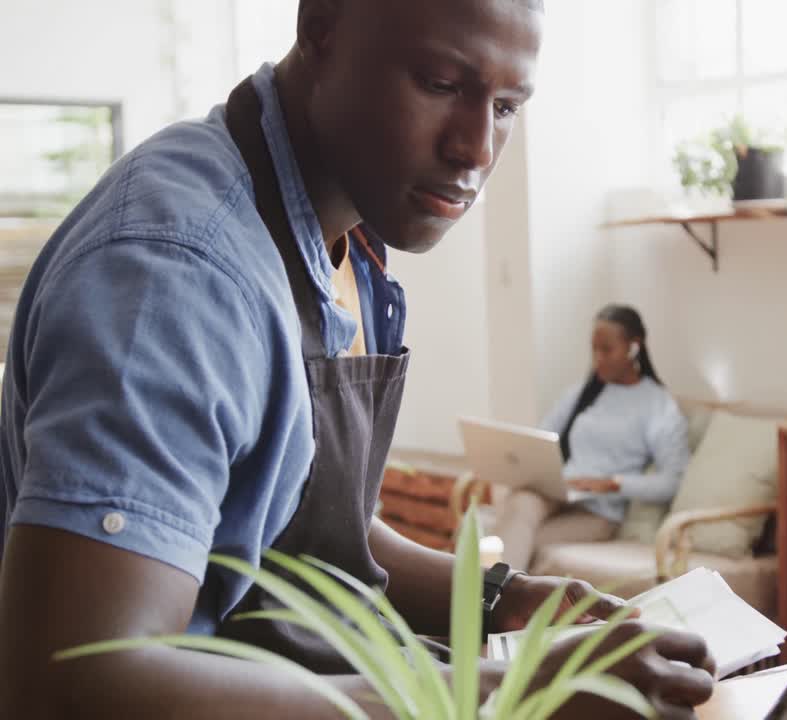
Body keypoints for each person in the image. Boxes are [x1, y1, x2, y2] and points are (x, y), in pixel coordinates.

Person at [0, 1, 715, 718]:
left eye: (505, 106)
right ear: (322, 30)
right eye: (439, 84)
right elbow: (73, 684)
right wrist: (512, 691)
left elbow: (307, 522)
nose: (476, 149)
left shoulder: (345, 235)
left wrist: (504, 599)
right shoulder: (176, 278)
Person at [493, 304, 690, 570]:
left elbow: (672, 481)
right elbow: (540, 438)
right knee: (521, 503)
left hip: (600, 512)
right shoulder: (582, 393)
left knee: (521, 544)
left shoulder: (659, 406)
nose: (598, 358)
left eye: (607, 350)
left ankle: (485, 601)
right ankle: (482, 602)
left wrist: (612, 484)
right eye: (594, 349)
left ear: (634, 347)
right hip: (560, 492)